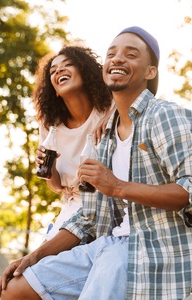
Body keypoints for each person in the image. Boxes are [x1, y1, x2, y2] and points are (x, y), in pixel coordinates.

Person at [0, 26, 192, 299]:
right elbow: (89, 218)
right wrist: (34, 256)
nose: (117, 59)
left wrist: (117, 186)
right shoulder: (103, 138)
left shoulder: (166, 116)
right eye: (112, 54)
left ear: (150, 72)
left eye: (131, 54)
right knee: (15, 289)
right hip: (111, 243)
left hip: (154, 247)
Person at [33, 46, 113, 240]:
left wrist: (111, 115)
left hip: (110, 202)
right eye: (53, 70)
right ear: (55, 90)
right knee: (36, 264)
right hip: (74, 205)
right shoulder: (50, 125)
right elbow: (57, 186)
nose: (59, 70)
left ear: (86, 73)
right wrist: (49, 168)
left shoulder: (110, 107)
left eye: (68, 65)